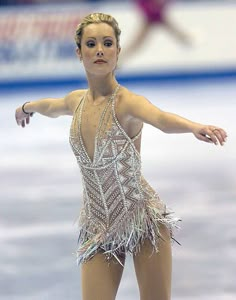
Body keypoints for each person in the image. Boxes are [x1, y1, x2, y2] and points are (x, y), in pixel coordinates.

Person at [15, 12, 227, 300]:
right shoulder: (75, 101)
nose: (100, 49)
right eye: (91, 44)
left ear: (118, 51)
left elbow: (161, 118)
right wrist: (27, 107)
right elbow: (51, 106)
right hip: (97, 225)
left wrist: (193, 127)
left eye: (107, 43)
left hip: (142, 221)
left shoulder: (127, 103)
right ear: (79, 53)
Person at [120, 0, 193, 62]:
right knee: (138, 40)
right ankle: (186, 39)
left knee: (138, 40)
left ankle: (186, 39)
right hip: (150, 11)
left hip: (153, 12)